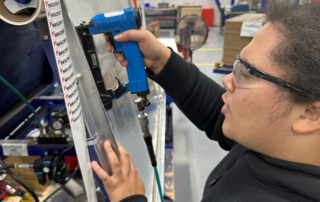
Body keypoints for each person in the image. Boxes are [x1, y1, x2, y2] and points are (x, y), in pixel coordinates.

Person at [91, 1, 320, 201]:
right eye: (238, 63)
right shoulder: (277, 142)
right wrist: (161, 61)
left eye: (248, 73)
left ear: (309, 114)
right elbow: (216, 116)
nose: (229, 79)